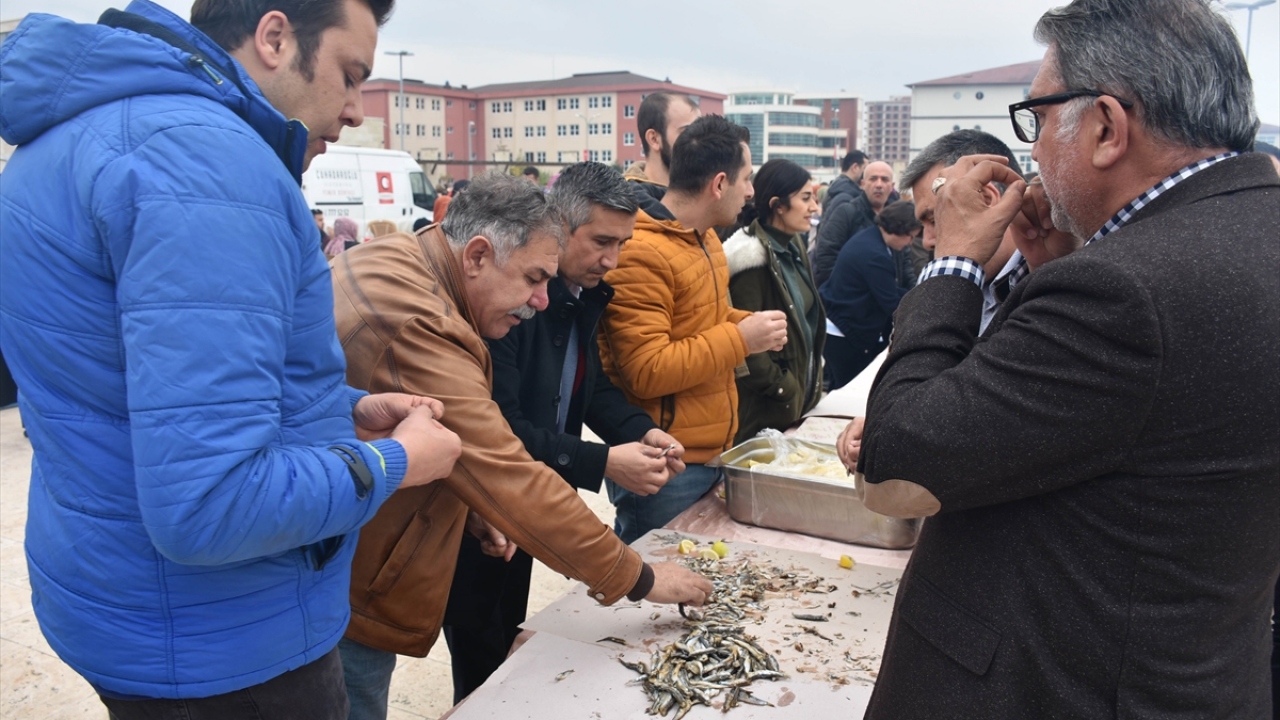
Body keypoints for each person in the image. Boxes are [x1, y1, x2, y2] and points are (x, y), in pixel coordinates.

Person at [0, 0, 464, 717]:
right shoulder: (205, 167)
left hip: (120, 596)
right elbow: (211, 502)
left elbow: (130, 385)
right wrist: (397, 462)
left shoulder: (80, 135)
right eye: (349, 75)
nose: (353, 110)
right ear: (275, 37)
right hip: (225, 645)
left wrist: (346, 409)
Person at [850, 0, 1279, 716]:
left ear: (1107, 128)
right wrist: (1052, 266)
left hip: (1057, 684)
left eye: (1039, 121)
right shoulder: (1245, 229)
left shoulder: (1122, 290)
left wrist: (954, 264)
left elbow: (901, 451)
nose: (1035, 152)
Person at [330, 172, 713, 720]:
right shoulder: (419, 322)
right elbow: (504, 465)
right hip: (348, 583)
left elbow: (452, 449)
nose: (540, 299)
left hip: (361, 551)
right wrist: (638, 576)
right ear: (478, 254)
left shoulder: (406, 257)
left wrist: (466, 507)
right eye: (533, 278)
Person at [441, 162, 682, 701]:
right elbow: (500, 431)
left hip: (534, 502)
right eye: (600, 241)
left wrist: (640, 431)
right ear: (557, 228)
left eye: (622, 244)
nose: (611, 260)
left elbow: (586, 389)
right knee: (481, 655)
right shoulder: (512, 300)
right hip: (485, 510)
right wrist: (603, 463)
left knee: (511, 640)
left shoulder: (580, 298)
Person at [599, 115, 788, 544]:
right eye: (747, 178)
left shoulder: (706, 239)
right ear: (719, 184)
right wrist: (742, 339)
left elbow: (703, 322)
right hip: (666, 464)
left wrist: (747, 324)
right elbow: (647, 369)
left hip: (710, 451)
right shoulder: (642, 251)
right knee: (649, 587)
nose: (752, 191)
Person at [722, 159, 826, 443]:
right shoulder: (750, 257)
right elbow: (746, 345)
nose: (814, 207)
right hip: (766, 413)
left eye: (814, 198)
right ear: (778, 204)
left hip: (795, 404)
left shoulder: (792, 244)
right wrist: (785, 388)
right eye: (805, 198)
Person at [899, 129, 1027, 332]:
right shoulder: (983, 285)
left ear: (986, 199)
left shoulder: (1045, 295)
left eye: (935, 219)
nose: (926, 241)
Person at [819, 201, 920, 388]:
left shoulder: (869, 238)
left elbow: (885, 288)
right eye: (910, 237)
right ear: (899, 229)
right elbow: (891, 302)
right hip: (846, 333)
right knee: (850, 391)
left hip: (835, 324)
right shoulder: (876, 255)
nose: (910, 243)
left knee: (839, 388)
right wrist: (920, 304)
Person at [809, 160, 896, 288]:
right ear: (862, 184)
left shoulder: (896, 218)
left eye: (884, 179)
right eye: (873, 179)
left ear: (892, 185)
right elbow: (826, 254)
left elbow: (904, 262)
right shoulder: (846, 212)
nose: (879, 184)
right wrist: (846, 291)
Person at [623, 91, 702, 199]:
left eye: (700, 131)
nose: (698, 140)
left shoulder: (706, 196)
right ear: (654, 139)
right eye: (687, 132)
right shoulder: (621, 205)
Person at [822, 150, 867, 214]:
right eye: (865, 168)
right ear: (855, 167)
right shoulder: (846, 192)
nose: (867, 174)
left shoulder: (836, 186)